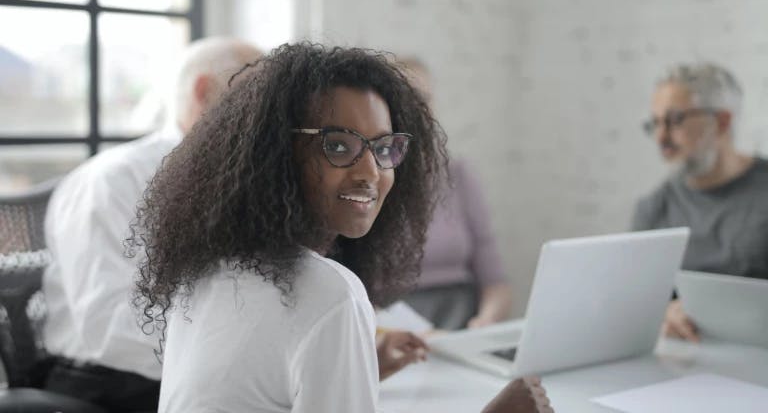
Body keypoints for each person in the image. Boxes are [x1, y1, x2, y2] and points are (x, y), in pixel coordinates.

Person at [128, 43, 553, 412]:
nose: (371, 171)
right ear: (274, 156)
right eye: (337, 146)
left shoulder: (206, 269)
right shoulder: (330, 293)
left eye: (384, 148)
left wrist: (360, 365)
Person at [41, 36, 264, 411]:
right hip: (111, 386)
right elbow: (108, 327)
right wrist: (245, 360)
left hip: (200, 373)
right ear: (204, 91)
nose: (271, 113)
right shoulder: (113, 182)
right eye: (256, 93)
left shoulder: (245, 182)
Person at [632, 62, 768, 342]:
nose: (661, 137)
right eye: (655, 123)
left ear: (722, 122)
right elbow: (639, 302)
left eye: (675, 119)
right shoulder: (653, 209)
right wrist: (664, 313)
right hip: (686, 363)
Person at [399, 58, 512, 329]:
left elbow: (496, 282)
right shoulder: (369, 180)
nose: (416, 109)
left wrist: (486, 320)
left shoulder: (458, 174)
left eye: (424, 98)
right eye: (404, 98)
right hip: (396, 326)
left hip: (461, 320)